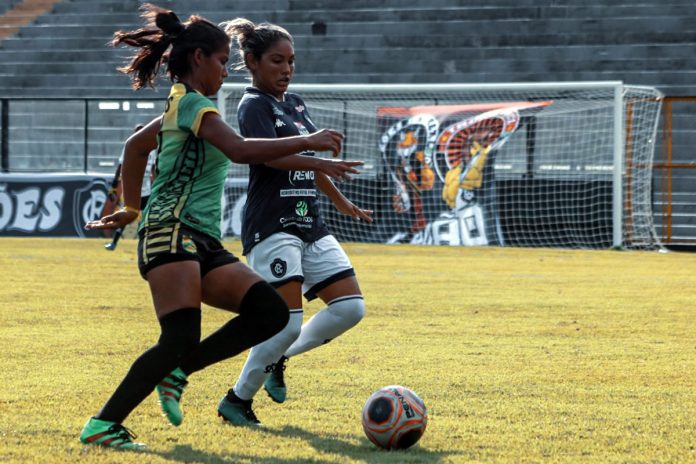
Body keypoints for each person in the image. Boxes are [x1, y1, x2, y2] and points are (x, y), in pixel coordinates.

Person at [79, 3, 360, 450]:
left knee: (269, 313)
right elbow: (243, 150)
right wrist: (309, 139)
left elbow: (135, 147)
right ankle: (103, 424)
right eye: (220, 59)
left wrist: (131, 208)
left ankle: (177, 372)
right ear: (198, 59)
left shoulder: (186, 105)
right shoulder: (193, 104)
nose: (225, 70)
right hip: (170, 234)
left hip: (199, 239)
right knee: (180, 336)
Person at [209, 18, 373, 426]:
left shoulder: (295, 104)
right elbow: (269, 157)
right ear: (252, 62)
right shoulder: (253, 105)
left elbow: (315, 166)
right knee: (285, 321)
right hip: (272, 225)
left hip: (308, 222)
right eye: (277, 61)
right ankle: (236, 400)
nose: (286, 69)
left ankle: (279, 356)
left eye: (292, 62)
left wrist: (341, 201)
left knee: (350, 308)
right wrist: (318, 154)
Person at [104, 124, 157, 251]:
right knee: (126, 216)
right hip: (133, 189)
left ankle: (147, 245)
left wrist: (156, 182)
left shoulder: (153, 149)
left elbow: (154, 167)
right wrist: (113, 186)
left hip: (146, 191)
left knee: (146, 219)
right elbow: (120, 166)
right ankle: (114, 243)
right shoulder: (130, 146)